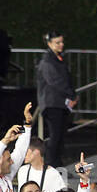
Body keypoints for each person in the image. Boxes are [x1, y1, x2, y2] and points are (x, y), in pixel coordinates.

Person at [35, 31, 75, 170]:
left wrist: (71, 94)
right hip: (52, 103)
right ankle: (52, 165)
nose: (61, 45)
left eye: (62, 42)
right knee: (55, 136)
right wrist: (71, 94)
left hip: (60, 103)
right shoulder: (47, 61)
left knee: (60, 136)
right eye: (57, 42)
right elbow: (55, 81)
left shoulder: (58, 59)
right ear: (49, 43)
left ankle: (57, 165)